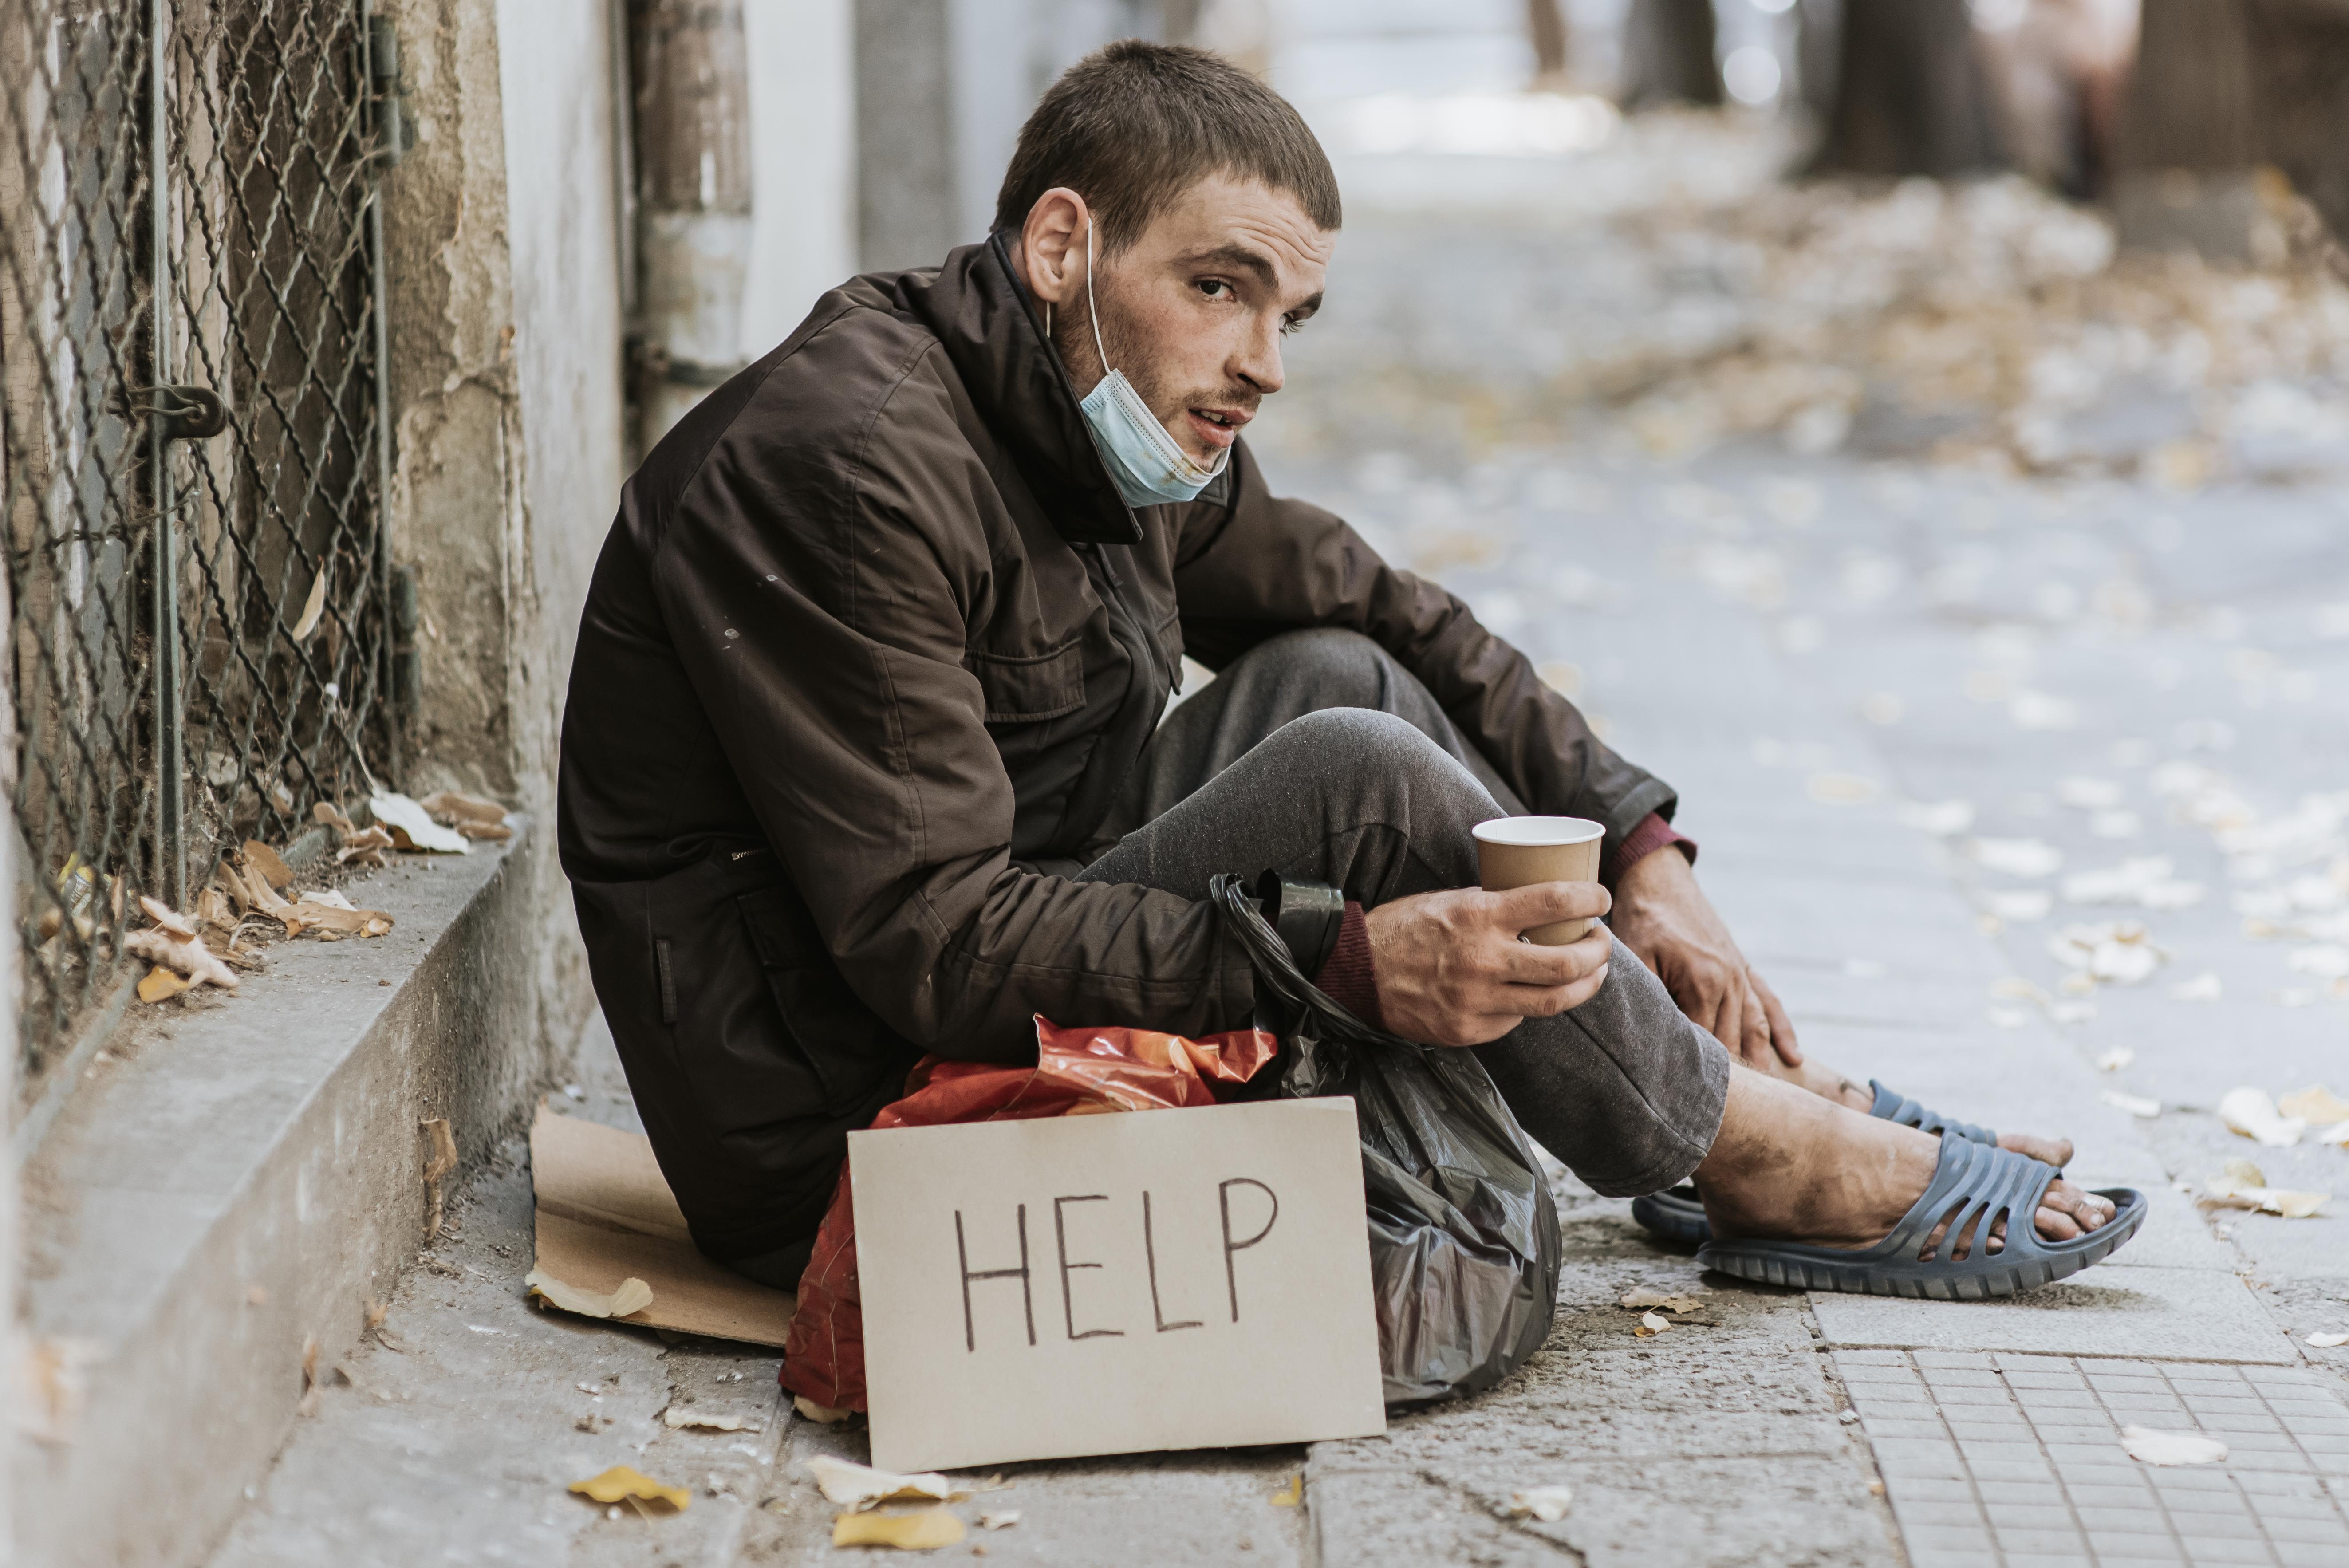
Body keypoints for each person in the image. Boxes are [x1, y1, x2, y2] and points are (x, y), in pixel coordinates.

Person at [557, 41, 2134, 1298]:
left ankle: (1704, 1101)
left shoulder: (1099, 413)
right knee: (1359, 776)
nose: (1263, 364)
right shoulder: (851, 462)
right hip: (853, 1126)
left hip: (999, 960)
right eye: (1220, 285)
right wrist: (1348, 961)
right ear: (1061, 245)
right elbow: (932, 944)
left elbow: (1379, 606)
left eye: (1291, 312)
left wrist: (1640, 847)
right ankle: (1752, 1154)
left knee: (1341, 672)